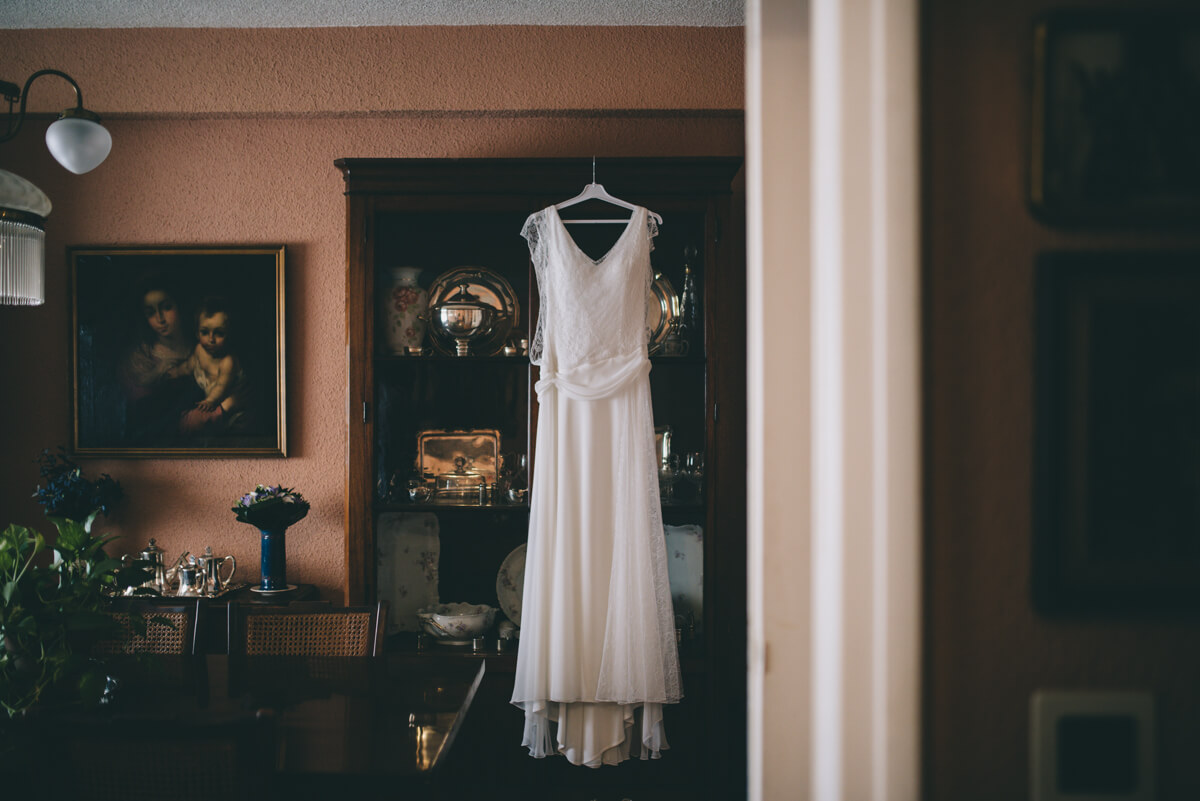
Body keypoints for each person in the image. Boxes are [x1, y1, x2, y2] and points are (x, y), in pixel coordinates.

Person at [120, 276, 198, 444]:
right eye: (151, 313)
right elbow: (142, 422)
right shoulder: (140, 359)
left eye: (167, 307)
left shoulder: (202, 350)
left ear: (180, 306)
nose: (160, 318)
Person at [169, 296, 248, 434]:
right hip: (210, 401)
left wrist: (210, 400)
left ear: (228, 335)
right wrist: (176, 372)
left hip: (232, 406)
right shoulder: (199, 349)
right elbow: (190, 365)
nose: (211, 339)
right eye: (205, 332)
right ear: (197, 333)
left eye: (219, 333)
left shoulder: (228, 361)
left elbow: (221, 386)